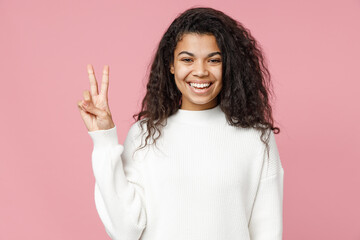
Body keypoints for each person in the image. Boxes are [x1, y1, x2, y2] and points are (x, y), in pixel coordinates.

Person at [77, 6, 284, 240]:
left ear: (228, 66)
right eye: (187, 59)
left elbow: (267, 232)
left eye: (213, 60)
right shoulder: (145, 134)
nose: (200, 71)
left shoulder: (257, 138)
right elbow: (124, 230)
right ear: (171, 65)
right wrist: (104, 140)